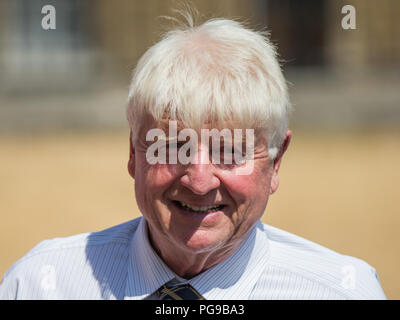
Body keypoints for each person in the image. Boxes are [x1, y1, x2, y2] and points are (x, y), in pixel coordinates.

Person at [0, 13, 386, 300]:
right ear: (133, 153)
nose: (199, 181)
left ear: (276, 162)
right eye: (171, 146)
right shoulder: (41, 284)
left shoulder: (341, 292)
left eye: (230, 151)